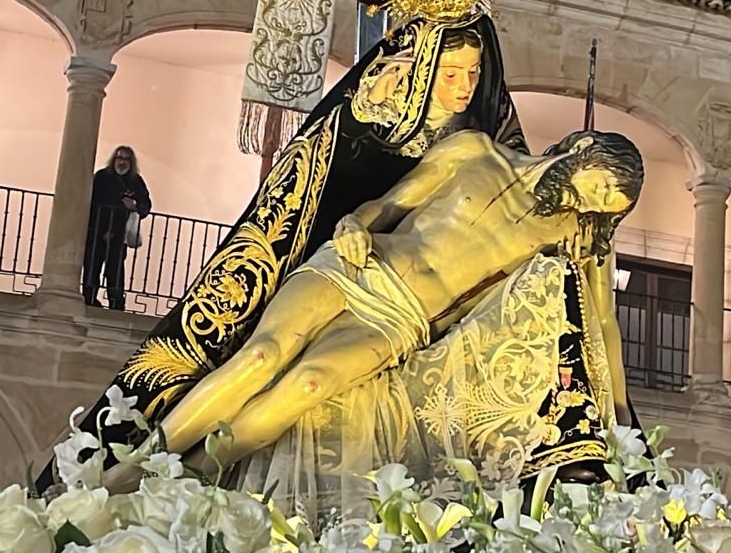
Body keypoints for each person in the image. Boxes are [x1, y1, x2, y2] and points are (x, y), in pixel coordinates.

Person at [125, 128, 643, 476]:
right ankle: (137, 468)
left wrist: (621, 414)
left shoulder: (576, 238)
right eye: (598, 187)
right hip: (363, 262)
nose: (591, 204)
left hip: (406, 318)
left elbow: (603, 325)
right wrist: (354, 223)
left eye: (603, 206)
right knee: (262, 356)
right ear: (584, 149)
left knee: (309, 384)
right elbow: (393, 201)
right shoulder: (475, 151)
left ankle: (185, 478)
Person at [83, 145, 151, 311]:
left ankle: (116, 304)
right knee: (92, 267)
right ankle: (89, 300)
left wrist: (134, 205)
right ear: (113, 160)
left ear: (131, 162)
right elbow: (89, 202)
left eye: (126, 159)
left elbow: (146, 205)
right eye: (119, 158)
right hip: (96, 232)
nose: (121, 162)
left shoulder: (136, 182)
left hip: (120, 235)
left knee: (115, 270)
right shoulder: (101, 177)